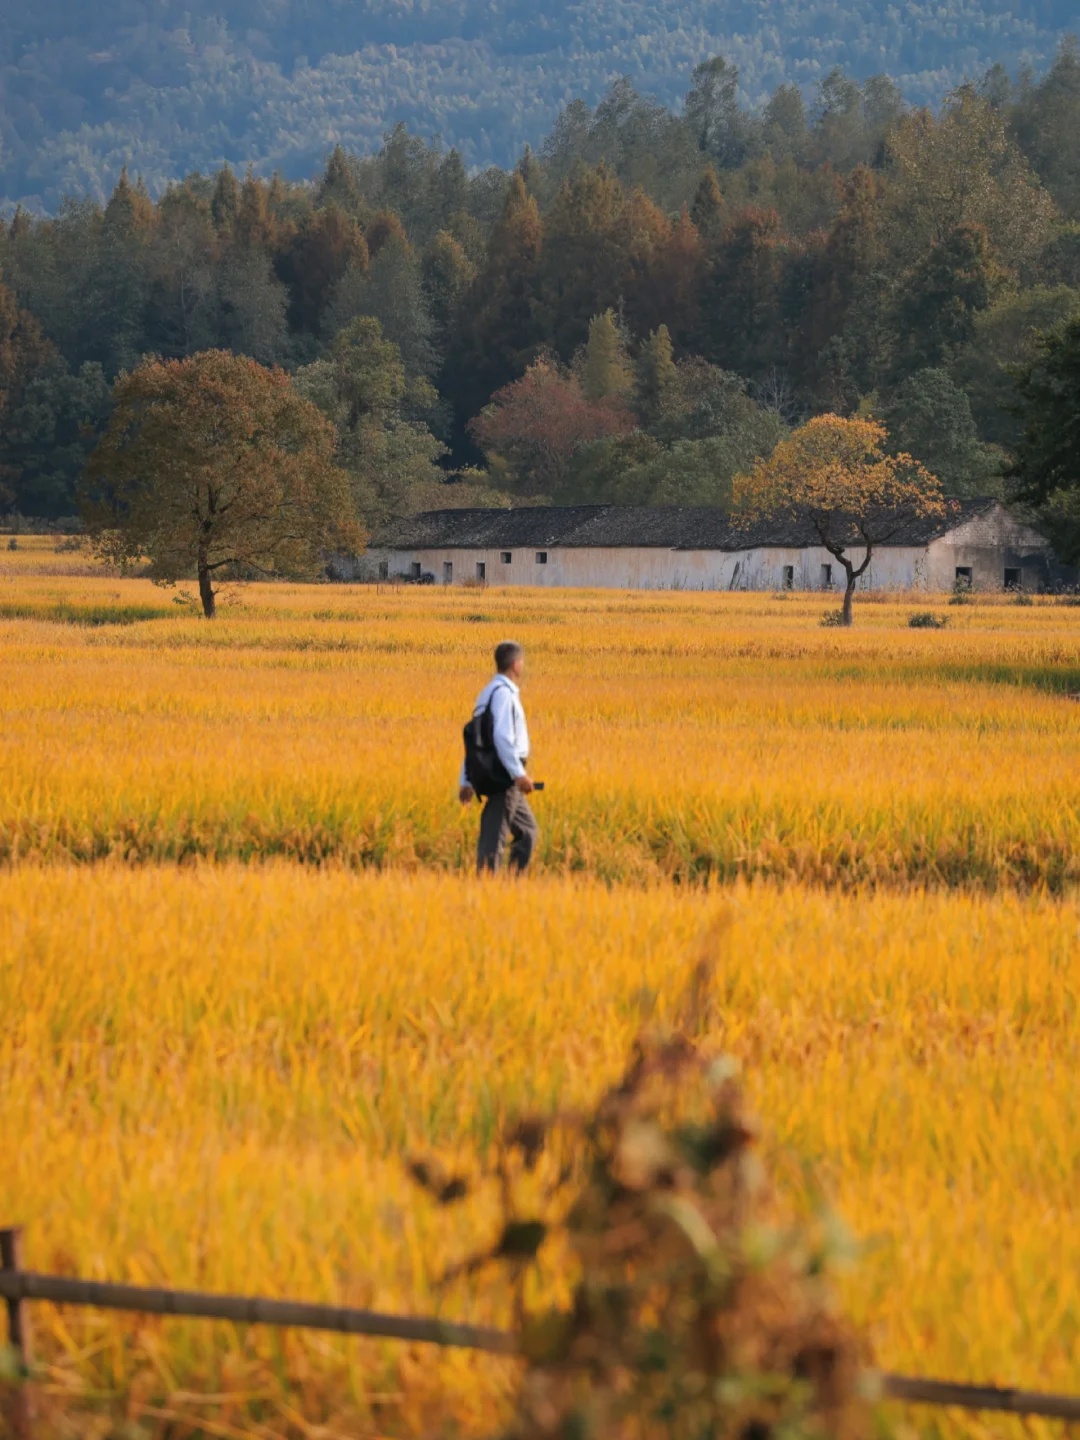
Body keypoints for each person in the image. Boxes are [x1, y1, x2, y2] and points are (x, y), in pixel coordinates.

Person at [459, 640, 538, 874]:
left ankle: (511, 888)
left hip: (500, 772)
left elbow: (476, 740)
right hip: (504, 775)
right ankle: (487, 890)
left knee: (528, 832)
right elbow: (502, 737)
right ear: (516, 665)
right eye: (521, 661)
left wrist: (466, 780)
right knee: (494, 838)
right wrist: (518, 774)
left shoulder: (487, 693)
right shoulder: (504, 695)